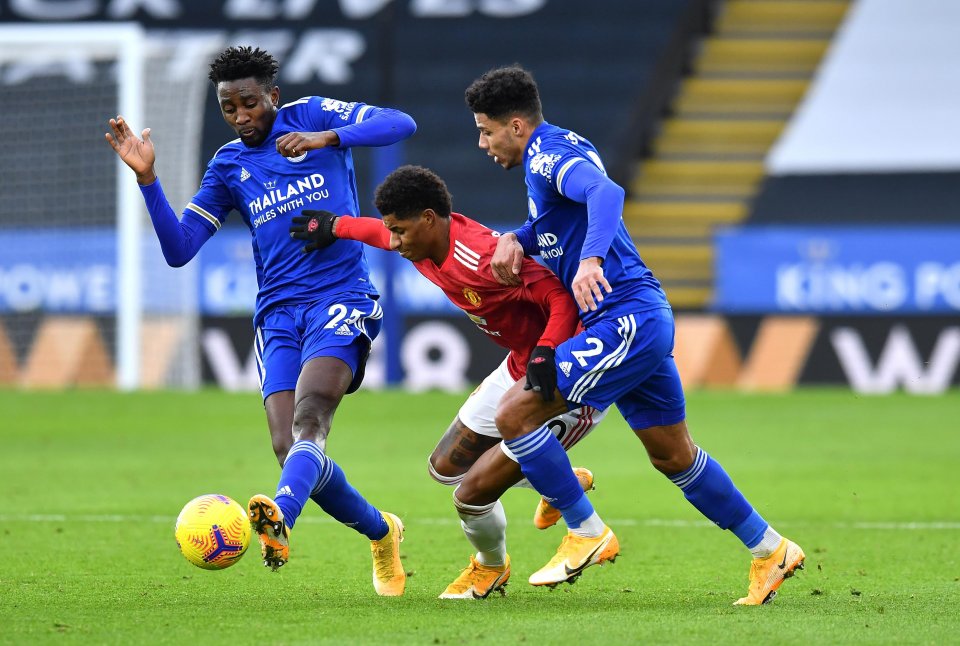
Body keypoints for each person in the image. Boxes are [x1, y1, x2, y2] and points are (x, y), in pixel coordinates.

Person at [463, 65, 805, 605]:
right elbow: (563, 219)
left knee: (513, 414)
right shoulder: (554, 150)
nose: (482, 143)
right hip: (636, 318)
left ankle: (587, 531)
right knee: (674, 456)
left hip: (624, 316)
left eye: (486, 130)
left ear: (516, 125)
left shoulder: (547, 155)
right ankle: (771, 550)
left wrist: (591, 260)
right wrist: (519, 238)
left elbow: (606, 193)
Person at [104, 46, 417, 596]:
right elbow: (179, 249)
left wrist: (329, 138)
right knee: (288, 445)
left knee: (312, 414)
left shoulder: (314, 116)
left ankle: (282, 517)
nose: (242, 116)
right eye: (229, 108)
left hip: (341, 296)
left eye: (250, 103)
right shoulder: (228, 165)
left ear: (273, 96)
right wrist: (149, 180)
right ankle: (381, 531)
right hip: (277, 314)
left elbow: (400, 123)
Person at [290, 164, 606, 599]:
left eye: (401, 231)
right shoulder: (420, 245)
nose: (394, 242)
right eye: (392, 232)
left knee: (471, 495)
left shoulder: (480, 255)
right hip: (518, 363)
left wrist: (547, 350)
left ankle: (490, 567)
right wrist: (335, 226)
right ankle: (561, 478)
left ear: (428, 219)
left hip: (561, 373)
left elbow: (557, 295)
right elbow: (379, 234)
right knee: (445, 468)